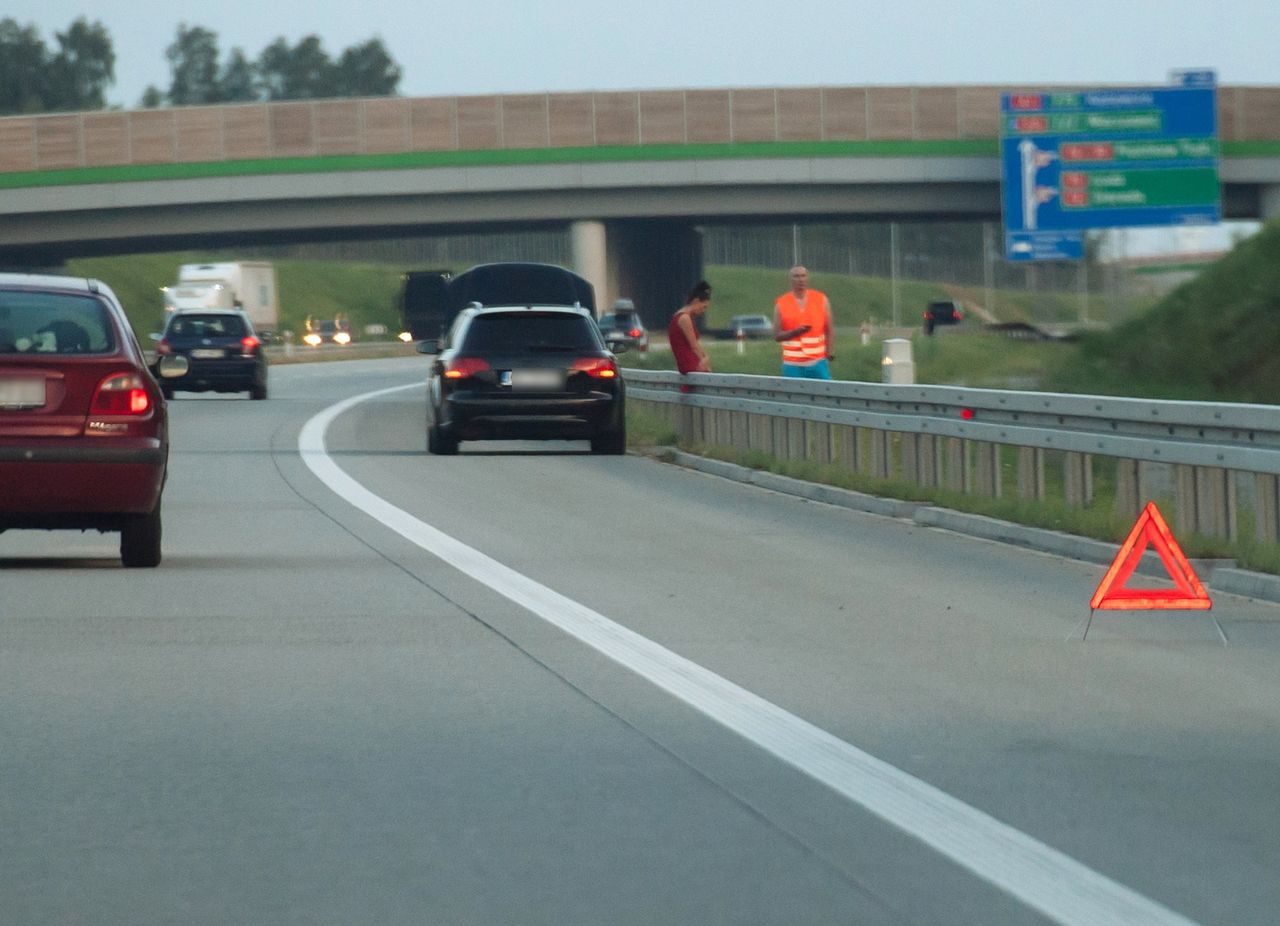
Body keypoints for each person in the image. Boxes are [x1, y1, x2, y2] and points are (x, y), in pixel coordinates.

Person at [773, 265, 834, 379]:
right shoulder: (781, 303)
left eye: (803, 276)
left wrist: (829, 354)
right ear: (790, 280)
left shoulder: (821, 299)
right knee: (794, 395)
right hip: (792, 364)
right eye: (796, 276)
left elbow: (829, 329)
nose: (800, 280)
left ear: (807, 278)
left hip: (817, 362)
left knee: (825, 393)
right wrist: (795, 332)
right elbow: (777, 335)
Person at [668, 280, 713, 376]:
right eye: (703, 307)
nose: (703, 311)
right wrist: (704, 360)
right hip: (690, 364)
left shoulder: (679, 316)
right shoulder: (685, 318)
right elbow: (694, 345)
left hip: (686, 364)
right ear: (696, 301)